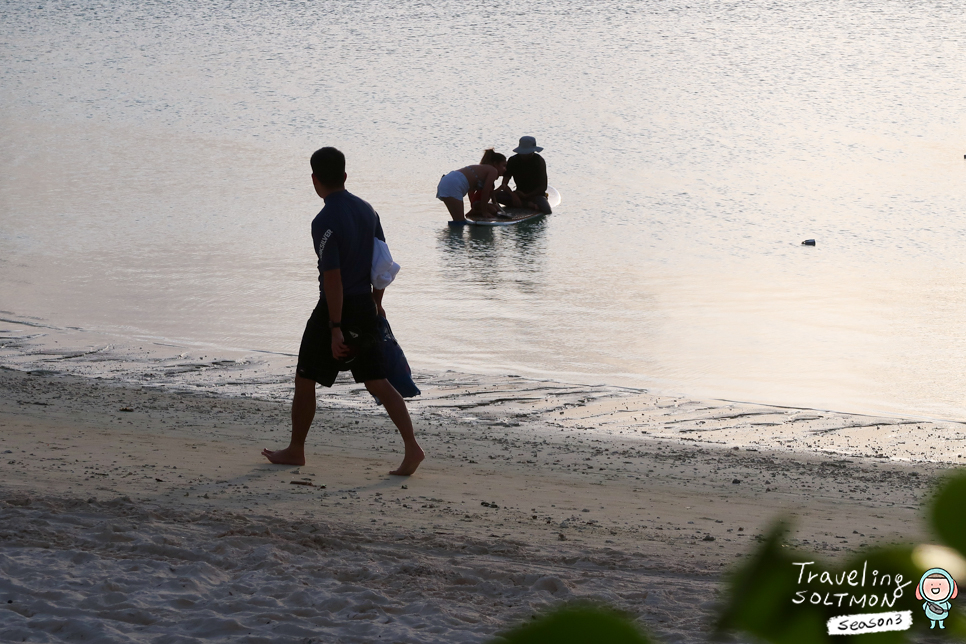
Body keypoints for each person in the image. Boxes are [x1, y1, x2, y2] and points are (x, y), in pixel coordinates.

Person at [262, 147, 424, 475]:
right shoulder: (368, 211)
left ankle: (296, 450)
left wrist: (335, 326)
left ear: (314, 180)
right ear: (345, 176)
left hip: (334, 310)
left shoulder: (324, 221)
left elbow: (332, 278)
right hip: (365, 306)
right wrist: (377, 304)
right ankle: (412, 448)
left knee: (305, 377)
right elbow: (383, 264)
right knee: (377, 381)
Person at [436, 149, 507, 224]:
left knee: (458, 220)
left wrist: (474, 208)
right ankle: (455, 235)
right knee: (459, 222)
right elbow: (485, 192)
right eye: (504, 166)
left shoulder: (482, 169)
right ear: (495, 164)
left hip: (447, 181)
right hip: (453, 184)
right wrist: (484, 212)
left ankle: (453, 234)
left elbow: (471, 192)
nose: (505, 169)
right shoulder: (493, 170)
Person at [495, 136, 551, 214]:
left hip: (536, 195)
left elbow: (543, 187)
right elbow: (504, 183)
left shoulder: (539, 161)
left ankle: (524, 204)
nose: (525, 155)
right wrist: (513, 195)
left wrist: (526, 196)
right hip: (518, 194)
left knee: (547, 210)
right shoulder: (513, 160)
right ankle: (527, 205)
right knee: (497, 196)